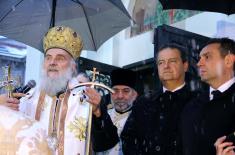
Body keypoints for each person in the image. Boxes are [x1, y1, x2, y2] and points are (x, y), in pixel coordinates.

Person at [4, 26, 101, 155]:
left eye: (60, 58)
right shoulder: (26, 98)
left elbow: (106, 143)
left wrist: (99, 113)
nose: (52, 62)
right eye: (48, 57)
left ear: (72, 66)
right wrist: (4, 108)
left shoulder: (86, 99)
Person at [121, 43, 193, 155]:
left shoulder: (199, 101)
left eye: (172, 61)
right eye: (161, 62)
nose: (166, 66)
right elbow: (128, 137)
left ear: (185, 65)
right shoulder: (143, 102)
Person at [181, 38, 235, 155]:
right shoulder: (191, 106)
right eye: (200, 58)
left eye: (207, 57)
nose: (199, 63)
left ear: (228, 61)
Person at [91, 68, 138, 155]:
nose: (120, 96)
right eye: (115, 90)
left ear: (135, 95)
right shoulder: (101, 115)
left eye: (126, 91)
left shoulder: (141, 118)